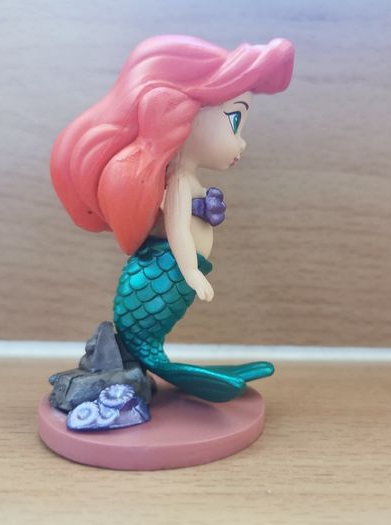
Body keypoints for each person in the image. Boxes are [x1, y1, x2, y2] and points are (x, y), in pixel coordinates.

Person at [50, 35, 295, 402]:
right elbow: (178, 229)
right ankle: (150, 364)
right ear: (188, 117)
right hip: (166, 277)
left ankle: (157, 363)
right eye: (234, 120)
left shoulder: (187, 181)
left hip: (166, 280)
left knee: (151, 337)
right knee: (148, 340)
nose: (241, 142)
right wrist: (192, 272)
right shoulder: (179, 181)